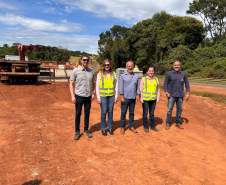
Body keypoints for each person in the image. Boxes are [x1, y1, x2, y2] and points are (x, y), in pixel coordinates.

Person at [69, 55, 95, 140]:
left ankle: (86, 130)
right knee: (78, 114)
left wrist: (93, 92)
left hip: (88, 96)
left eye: (87, 60)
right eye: (84, 60)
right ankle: (77, 131)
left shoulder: (91, 71)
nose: (85, 61)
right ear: (80, 60)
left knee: (87, 113)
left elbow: (94, 82)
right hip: (79, 96)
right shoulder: (75, 71)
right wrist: (73, 96)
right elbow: (71, 83)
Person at [164, 61, 190, 130]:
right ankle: (168, 123)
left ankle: (178, 123)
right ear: (173, 66)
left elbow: (187, 83)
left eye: (178, 65)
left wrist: (187, 93)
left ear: (180, 66)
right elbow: (165, 83)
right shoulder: (169, 74)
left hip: (180, 95)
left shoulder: (183, 74)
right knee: (169, 110)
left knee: (179, 109)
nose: (177, 66)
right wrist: (166, 92)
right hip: (171, 95)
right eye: (175, 65)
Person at [96, 59, 118, 136]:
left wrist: (116, 96)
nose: (106, 66)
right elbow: (97, 86)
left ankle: (110, 128)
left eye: (108, 65)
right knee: (104, 112)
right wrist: (98, 97)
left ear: (110, 65)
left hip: (111, 95)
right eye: (105, 65)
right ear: (103, 66)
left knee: (110, 112)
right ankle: (103, 128)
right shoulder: (100, 74)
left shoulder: (114, 74)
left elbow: (116, 86)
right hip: (103, 96)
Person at [119, 61, 140, 134]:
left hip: (133, 97)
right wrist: (121, 97)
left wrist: (138, 94)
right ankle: (122, 127)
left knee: (131, 113)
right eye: (129, 66)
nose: (130, 67)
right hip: (125, 97)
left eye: (131, 66)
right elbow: (121, 87)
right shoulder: (123, 76)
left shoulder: (136, 76)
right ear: (126, 67)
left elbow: (137, 86)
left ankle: (131, 126)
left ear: (133, 67)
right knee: (123, 113)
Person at [140, 67, 160, 133]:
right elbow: (141, 90)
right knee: (145, 113)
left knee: (152, 113)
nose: (151, 72)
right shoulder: (143, 79)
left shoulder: (156, 79)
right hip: (145, 99)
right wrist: (141, 98)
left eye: (152, 71)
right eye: (150, 71)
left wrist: (158, 98)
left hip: (153, 99)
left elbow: (158, 89)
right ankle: (145, 126)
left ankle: (152, 126)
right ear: (147, 72)